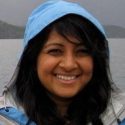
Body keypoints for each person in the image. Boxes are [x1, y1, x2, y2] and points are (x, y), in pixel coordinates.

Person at [0, 0, 125, 125]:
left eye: (82, 51)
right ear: (33, 59)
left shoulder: (121, 115)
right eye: (55, 51)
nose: (69, 64)